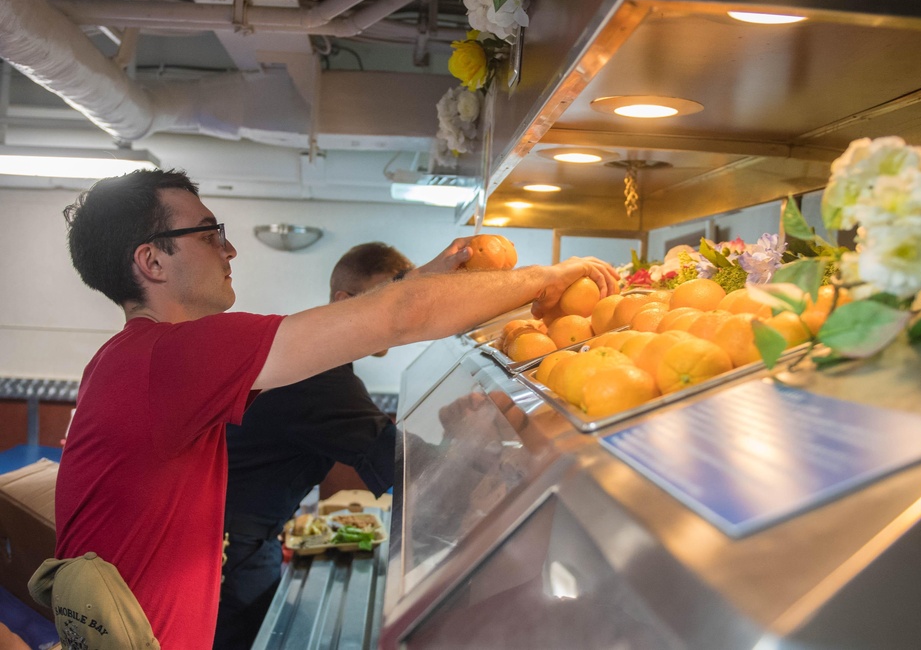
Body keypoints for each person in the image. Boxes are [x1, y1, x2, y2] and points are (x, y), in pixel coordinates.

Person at [45, 168, 619, 650]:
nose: (230, 248)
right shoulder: (172, 356)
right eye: (209, 232)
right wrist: (546, 277)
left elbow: (362, 326)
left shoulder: (145, 360)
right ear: (152, 262)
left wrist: (422, 280)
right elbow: (396, 318)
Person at [214, 242, 432, 650]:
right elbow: (399, 458)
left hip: (248, 534)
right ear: (343, 301)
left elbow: (349, 465)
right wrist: (490, 464)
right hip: (228, 548)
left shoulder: (318, 362)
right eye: (387, 299)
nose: (398, 316)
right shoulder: (321, 376)